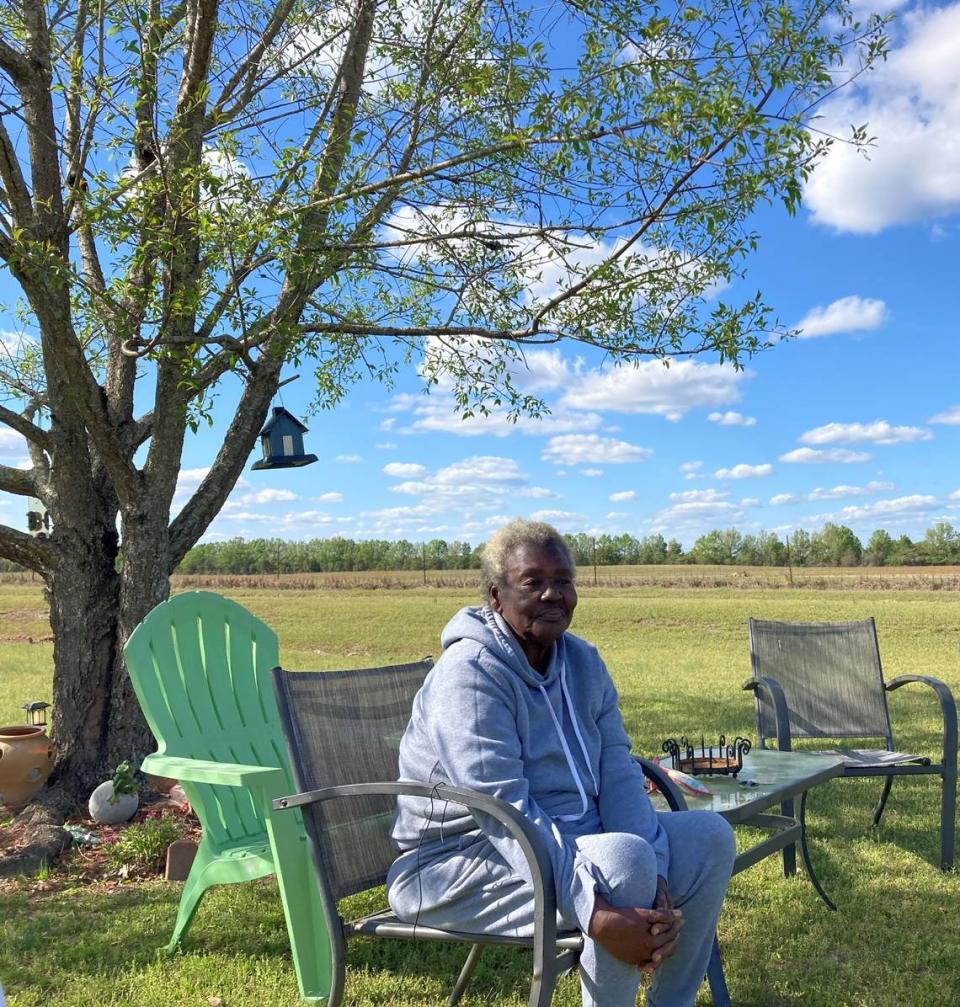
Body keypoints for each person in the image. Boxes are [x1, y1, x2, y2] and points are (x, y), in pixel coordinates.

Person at [387, 518, 735, 1007]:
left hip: (571, 844)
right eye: (533, 582)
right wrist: (597, 913)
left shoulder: (583, 662)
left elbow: (617, 768)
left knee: (708, 837)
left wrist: (658, 876)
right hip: (455, 864)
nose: (553, 594)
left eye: (564, 580)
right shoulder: (468, 675)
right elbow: (498, 806)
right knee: (622, 859)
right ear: (495, 594)